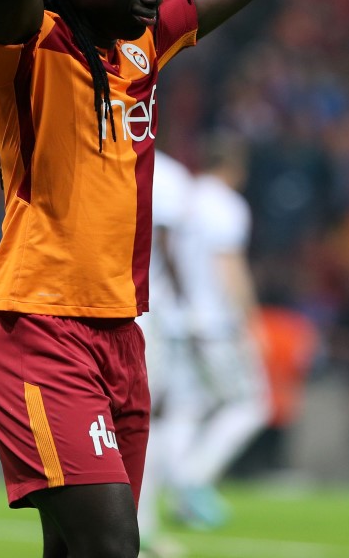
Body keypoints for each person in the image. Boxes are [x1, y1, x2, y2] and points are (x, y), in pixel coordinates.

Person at [0, 0, 272, 558]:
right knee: (115, 546)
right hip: (39, 330)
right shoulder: (29, 45)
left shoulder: (143, 45)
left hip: (122, 337)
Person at [169, 132, 271, 530]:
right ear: (236, 167)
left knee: (186, 409)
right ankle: (191, 480)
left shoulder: (186, 198)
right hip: (216, 324)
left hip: (180, 321)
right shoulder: (226, 206)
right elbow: (229, 267)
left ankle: (177, 491)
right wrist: (250, 320)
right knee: (251, 406)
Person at [136, 149, 195, 557]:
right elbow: (167, 247)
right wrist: (186, 302)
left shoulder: (90, 154)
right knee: (144, 420)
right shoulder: (169, 174)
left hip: (97, 305)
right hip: (147, 313)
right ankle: (141, 526)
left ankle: (134, 525)